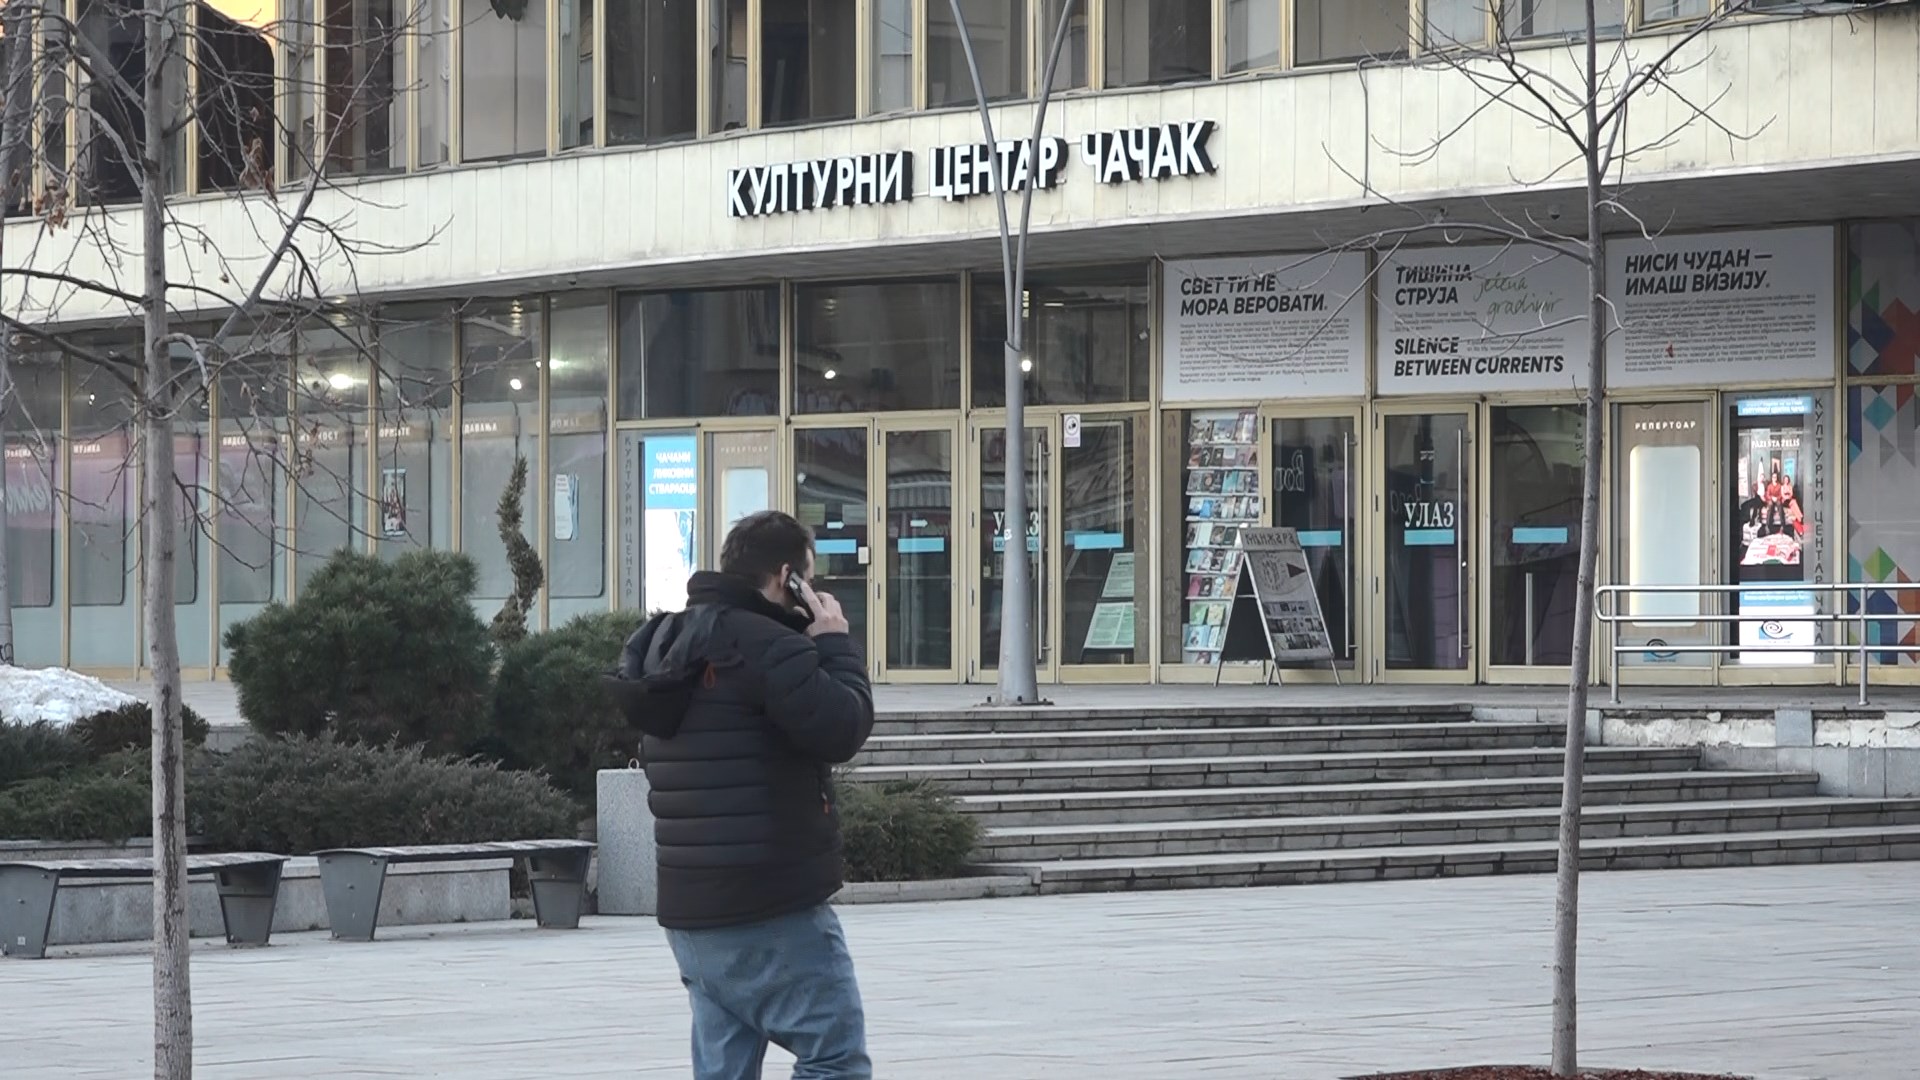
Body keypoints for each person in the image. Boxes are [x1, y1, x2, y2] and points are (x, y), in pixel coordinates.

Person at [609, 510, 876, 1080]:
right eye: (807, 580)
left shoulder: (668, 641)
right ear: (786, 578)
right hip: (770, 906)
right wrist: (835, 645)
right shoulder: (769, 647)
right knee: (834, 1058)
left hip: (690, 912)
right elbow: (844, 727)